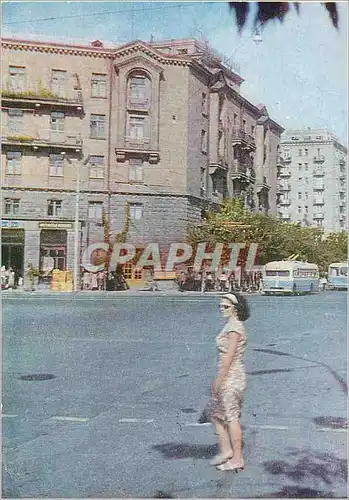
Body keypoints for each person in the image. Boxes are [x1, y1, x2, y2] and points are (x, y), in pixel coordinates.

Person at [209, 292, 249, 472]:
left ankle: (237, 459)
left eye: (226, 307)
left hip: (232, 376)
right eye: (220, 306)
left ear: (236, 308)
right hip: (230, 374)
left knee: (231, 417)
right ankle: (227, 451)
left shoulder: (235, 328)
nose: (221, 309)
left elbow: (229, 357)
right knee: (216, 414)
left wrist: (219, 380)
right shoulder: (230, 325)